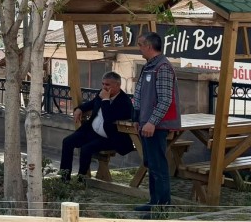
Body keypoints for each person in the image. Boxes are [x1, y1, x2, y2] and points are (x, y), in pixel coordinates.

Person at [133, 31, 181, 212]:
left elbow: (165, 99)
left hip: (156, 125)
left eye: (140, 45)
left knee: (158, 165)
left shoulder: (163, 67)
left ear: (149, 46)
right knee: (151, 163)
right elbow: (139, 94)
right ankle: (154, 202)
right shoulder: (149, 66)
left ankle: (162, 205)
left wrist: (152, 122)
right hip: (145, 122)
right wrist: (137, 117)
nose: (139, 49)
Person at [58, 71, 133, 183]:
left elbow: (109, 119)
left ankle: (81, 180)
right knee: (67, 141)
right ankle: (64, 178)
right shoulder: (102, 93)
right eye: (103, 84)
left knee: (86, 148)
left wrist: (106, 100)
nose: (104, 87)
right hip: (91, 131)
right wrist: (80, 109)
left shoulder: (124, 102)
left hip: (109, 137)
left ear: (117, 85)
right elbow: (92, 103)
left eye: (107, 84)